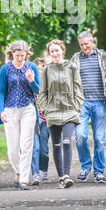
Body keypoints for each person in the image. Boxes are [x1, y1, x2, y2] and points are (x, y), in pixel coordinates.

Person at [71, 31, 106, 184]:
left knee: (99, 139)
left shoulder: (103, 56)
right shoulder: (75, 59)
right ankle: (85, 167)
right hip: (81, 103)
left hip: (99, 102)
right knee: (80, 136)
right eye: (82, 45)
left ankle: (98, 171)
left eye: (86, 44)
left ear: (92, 42)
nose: (84, 47)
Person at [39, 39, 84, 189]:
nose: (55, 53)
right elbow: (42, 92)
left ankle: (66, 176)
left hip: (70, 110)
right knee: (56, 144)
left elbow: (78, 89)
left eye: (57, 50)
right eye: (52, 51)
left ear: (62, 51)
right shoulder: (46, 70)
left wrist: (76, 105)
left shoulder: (72, 67)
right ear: (49, 53)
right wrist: (45, 109)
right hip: (53, 112)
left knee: (67, 141)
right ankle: (61, 178)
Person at [0, 40, 41, 190]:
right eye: (17, 55)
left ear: (26, 54)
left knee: (26, 145)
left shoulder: (32, 67)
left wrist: (31, 80)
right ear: (12, 54)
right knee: (12, 148)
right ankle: (19, 170)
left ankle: (23, 179)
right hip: (10, 110)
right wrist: (1, 110)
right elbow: (1, 91)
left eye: (23, 55)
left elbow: (37, 90)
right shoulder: (5, 69)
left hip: (28, 109)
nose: (20, 58)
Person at [30, 57, 50, 186]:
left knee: (44, 149)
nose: (40, 71)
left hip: (45, 121)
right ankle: (35, 174)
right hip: (33, 120)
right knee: (35, 148)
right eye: (38, 69)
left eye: (42, 69)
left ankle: (44, 170)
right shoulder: (30, 84)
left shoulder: (48, 85)